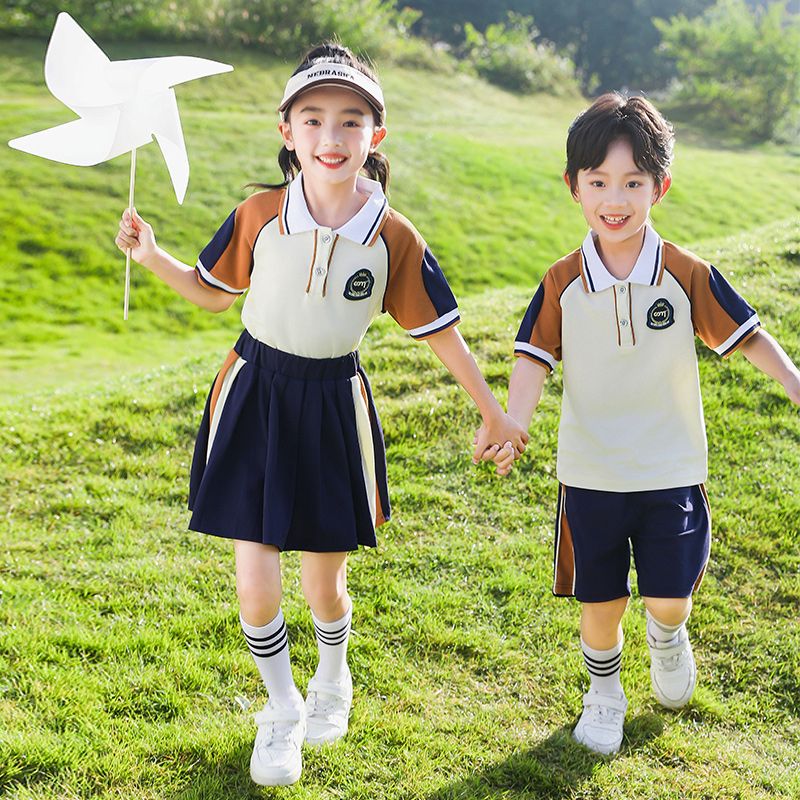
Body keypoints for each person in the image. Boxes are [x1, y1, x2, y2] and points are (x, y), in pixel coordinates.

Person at [115, 42, 527, 786]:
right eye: (313, 121)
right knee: (254, 583)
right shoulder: (260, 214)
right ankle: (282, 712)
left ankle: (333, 675)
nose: (331, 139)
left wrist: (494, 412)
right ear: (287, 131)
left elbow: (440, 332)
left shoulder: (392, 236)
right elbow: (215, 292)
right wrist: (151, 256)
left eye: (349, 121)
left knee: (323, 585)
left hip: (334, 404)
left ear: (377, 134)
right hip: (253, 394)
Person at [487, 92, 800, 755]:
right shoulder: (561, 281)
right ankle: (604, 695)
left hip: (670, 468)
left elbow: (747, 337)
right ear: (574, 186)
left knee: (669, 600)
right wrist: (515, 421)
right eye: (599, 181)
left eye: (632, 182)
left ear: (660, 185)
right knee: (599, 603)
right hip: (591, 472)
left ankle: (667, 637)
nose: (615, 197)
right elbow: (532, 359)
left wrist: (795, 384)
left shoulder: (686, 274)